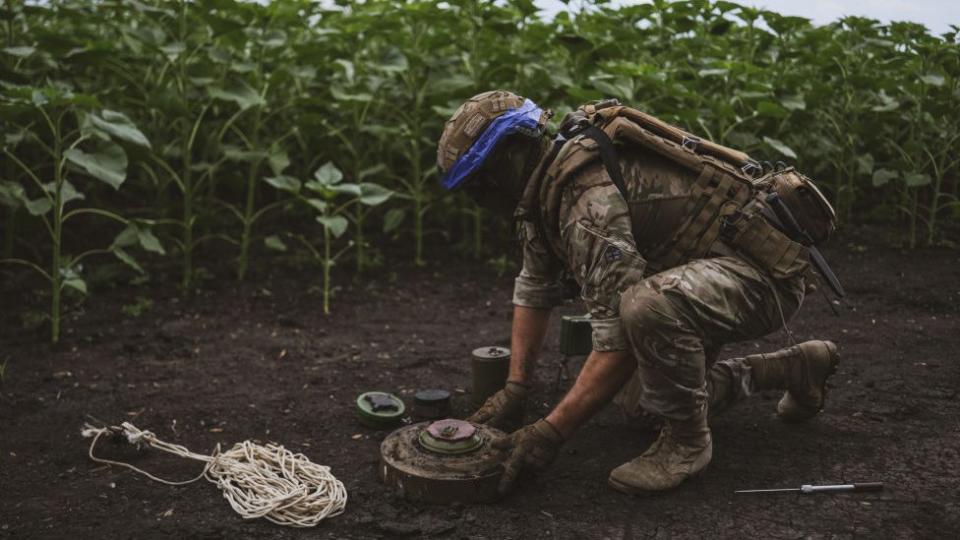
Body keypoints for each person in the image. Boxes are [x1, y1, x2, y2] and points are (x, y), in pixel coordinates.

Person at [436, 90, 842, 495]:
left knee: (644, 307)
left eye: (480, 182)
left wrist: (549, 433)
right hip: (707, 274)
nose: (480, 198)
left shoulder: (585, 198)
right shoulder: (545, 189)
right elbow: (534, 288)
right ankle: (794, 367)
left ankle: (687, 446)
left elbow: (615, 339)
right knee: (644, 404)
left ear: (509, 156)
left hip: (763, 278)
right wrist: (516, 389)